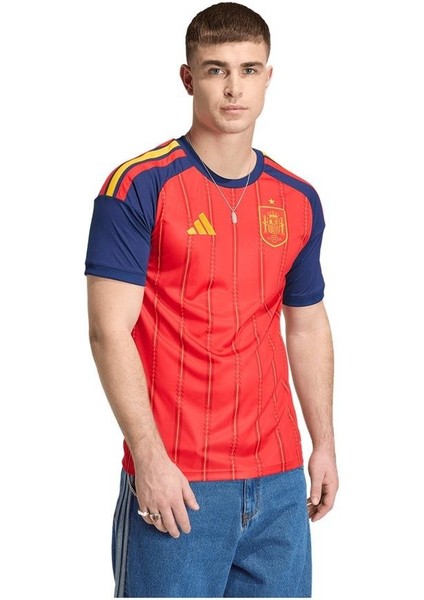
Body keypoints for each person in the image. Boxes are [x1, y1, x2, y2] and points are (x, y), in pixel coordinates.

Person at [85, 2, 339, 597]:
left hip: (279, 484)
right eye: (216, 69)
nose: (233, 88)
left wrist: (323, 443)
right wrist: (148, 459)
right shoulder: (137, 186)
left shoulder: (298, 198)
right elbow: (108, 331)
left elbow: (306, 326)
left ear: (268, 78)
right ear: (188, 77)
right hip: (179, 481)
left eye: (249, 70)